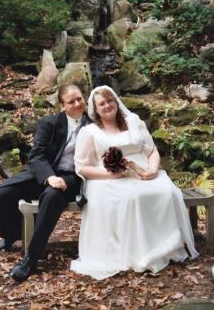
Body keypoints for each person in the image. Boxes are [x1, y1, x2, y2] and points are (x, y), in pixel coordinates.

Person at [70, 85, 198, 280]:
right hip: (107, 178)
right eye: (101, 104)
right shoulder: (90, 132)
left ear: (116, 101)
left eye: (109, 101)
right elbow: (82, 167)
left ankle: (166, 246)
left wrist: (154, 169)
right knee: (134, 197)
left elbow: (152, 150)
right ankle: (139, 252)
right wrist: (110, 174)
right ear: (95, 110)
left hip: (145, 171)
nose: (107, 106)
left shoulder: (133, 121)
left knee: (170, 192)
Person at [0, 83, 89, 282]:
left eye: (79, 99)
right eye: (71, 101)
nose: (77, 104)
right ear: (61, 105)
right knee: (0, 195)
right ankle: (11, 233)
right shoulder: (49, 123)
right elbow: (36, 156)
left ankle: (30, 258)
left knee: (51, 197)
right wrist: (49, 177)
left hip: (71, 178)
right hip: (43, 173)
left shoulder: (93, 125)